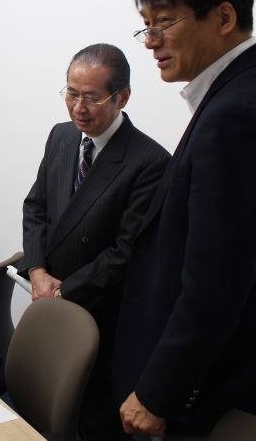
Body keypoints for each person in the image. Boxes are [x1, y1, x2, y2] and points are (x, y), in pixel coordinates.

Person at [113, 0, 256, 437]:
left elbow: (216, 284)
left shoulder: (238, 114)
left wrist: (158, 390)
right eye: (146, 26)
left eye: (163, 22)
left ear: (224, 16)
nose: (150, 42)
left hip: (207, 385)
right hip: (231, 366)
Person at [17, 43, 170, 441]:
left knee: (90, 419)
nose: (78, 108)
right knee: (40, 408)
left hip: (99, 314)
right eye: (71, 93)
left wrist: (63, 292)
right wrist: (36, 270)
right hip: (48, 295)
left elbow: (126, 252)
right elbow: (36, 207)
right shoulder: (62, 137)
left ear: (122, 97)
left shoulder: (149, 161)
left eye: (91, 98)